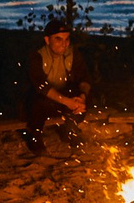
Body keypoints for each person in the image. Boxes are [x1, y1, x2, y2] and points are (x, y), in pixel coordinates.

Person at [22, 15, 92, 153]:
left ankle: (70, 130)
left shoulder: (73, 54)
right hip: (40, 100)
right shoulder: (37, 56)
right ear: (47, 40)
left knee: (84, 96)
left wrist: (82, 98)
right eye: (58, 39)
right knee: (37, 102)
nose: (64, 44)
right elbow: (41, 86)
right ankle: (35, 136)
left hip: (63, 98)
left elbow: (85, 78)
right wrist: (67, 102)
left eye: (66, 39)